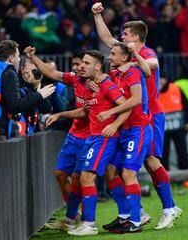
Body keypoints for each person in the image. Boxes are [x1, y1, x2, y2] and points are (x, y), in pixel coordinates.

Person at [92, 2, 182, 230]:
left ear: (136, 38)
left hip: (148, 116)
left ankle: (169, 208)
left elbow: (152, 64)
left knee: (151, 162)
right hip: (127, 119)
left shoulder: (145, 53)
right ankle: (132, 213)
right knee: (113, 169)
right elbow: (106, 39)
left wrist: (129, 61)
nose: (121, 37)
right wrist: (97, 15)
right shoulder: (122, 53)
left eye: (126, 34)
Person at [66, 50, 130, 236]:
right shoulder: (94, 85)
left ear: (97, 66)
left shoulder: (107, 84)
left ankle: (90, 224)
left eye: (86, 63)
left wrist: (114, 123)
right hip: (92, 138)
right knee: (106, 174)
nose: (82, 66)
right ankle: (131, 213)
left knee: (87, 177)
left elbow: (127, 105)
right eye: (81, 63)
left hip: (104, 138)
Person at [94, 42, 152, 233]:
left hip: (138, 129)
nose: (109, 57)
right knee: (110, 172)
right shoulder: (115, 75)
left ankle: (136, 222)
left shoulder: (131, 73)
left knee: (128, 173)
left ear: (124, 58)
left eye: (113, 54)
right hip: (124, 131)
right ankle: (124, 216)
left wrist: (111, 115)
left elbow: (136, 100)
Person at [24, 48, 90, 211]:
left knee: (80, 178)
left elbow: (83, 112)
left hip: (91, 136)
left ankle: (85, 218)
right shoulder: (75, 79)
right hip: (74, 135)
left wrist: (60, 114)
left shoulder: (96, 84)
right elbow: (53, 73)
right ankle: (74, 214)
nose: (74, 68)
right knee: (60, 174)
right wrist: (33, 57)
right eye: (73, 64)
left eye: (77, 64)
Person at [0, 40, 55, 141]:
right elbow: (15, 105)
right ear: (11, 58)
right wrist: (39, 95)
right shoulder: (8, 71)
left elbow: (44, 109)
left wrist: (36, 87)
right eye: (18, 56)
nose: (18, 59)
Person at [159, 73, 188, 170]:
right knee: (163, 154)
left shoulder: (176, 88)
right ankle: (164, 178)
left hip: (178, 126)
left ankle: (186, 176)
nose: (160, 81)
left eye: (162, 78)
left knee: (182, 151)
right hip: (162, 128)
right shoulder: (152, 91)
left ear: (166, 79)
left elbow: (187, 105)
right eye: (158, 78)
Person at [13, 57, 52, 137]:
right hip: (18, 133)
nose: (33, 74)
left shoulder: (38, 86)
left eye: (35, 70)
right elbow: (26, 108)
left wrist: (37, 86)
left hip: (33, 133)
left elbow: (46, 109)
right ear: (22, 70)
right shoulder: (15, 83)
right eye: (30, 70)